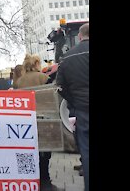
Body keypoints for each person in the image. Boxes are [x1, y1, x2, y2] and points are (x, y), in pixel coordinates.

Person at [14, 54, 58, 191]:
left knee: (29, 151)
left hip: (26, 119)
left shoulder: (19, 81)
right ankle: (45, 179)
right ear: (37, 64)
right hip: (43, 118)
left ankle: (32, 179)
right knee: (45, 151)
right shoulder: (43, 78)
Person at [56, 23, 89, 191]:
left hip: (82, 109)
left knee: (87, 150)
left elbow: (60, 86)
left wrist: (73, 101)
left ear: (79, 37)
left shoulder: (68, 57)